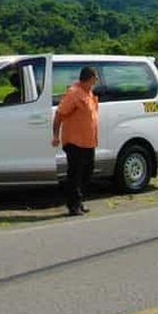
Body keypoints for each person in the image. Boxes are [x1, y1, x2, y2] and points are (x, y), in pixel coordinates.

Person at [52, 66, 99, 216]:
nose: (96, 81)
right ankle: (73, 205)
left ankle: (79, 201)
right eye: (95, 78)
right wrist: (55, 135)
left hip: (88, 141)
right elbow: (59, 114)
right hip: (75, 142)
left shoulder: (88, 92)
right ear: (89, 78)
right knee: (75, 174)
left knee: (87, 172)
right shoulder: (73, 93)